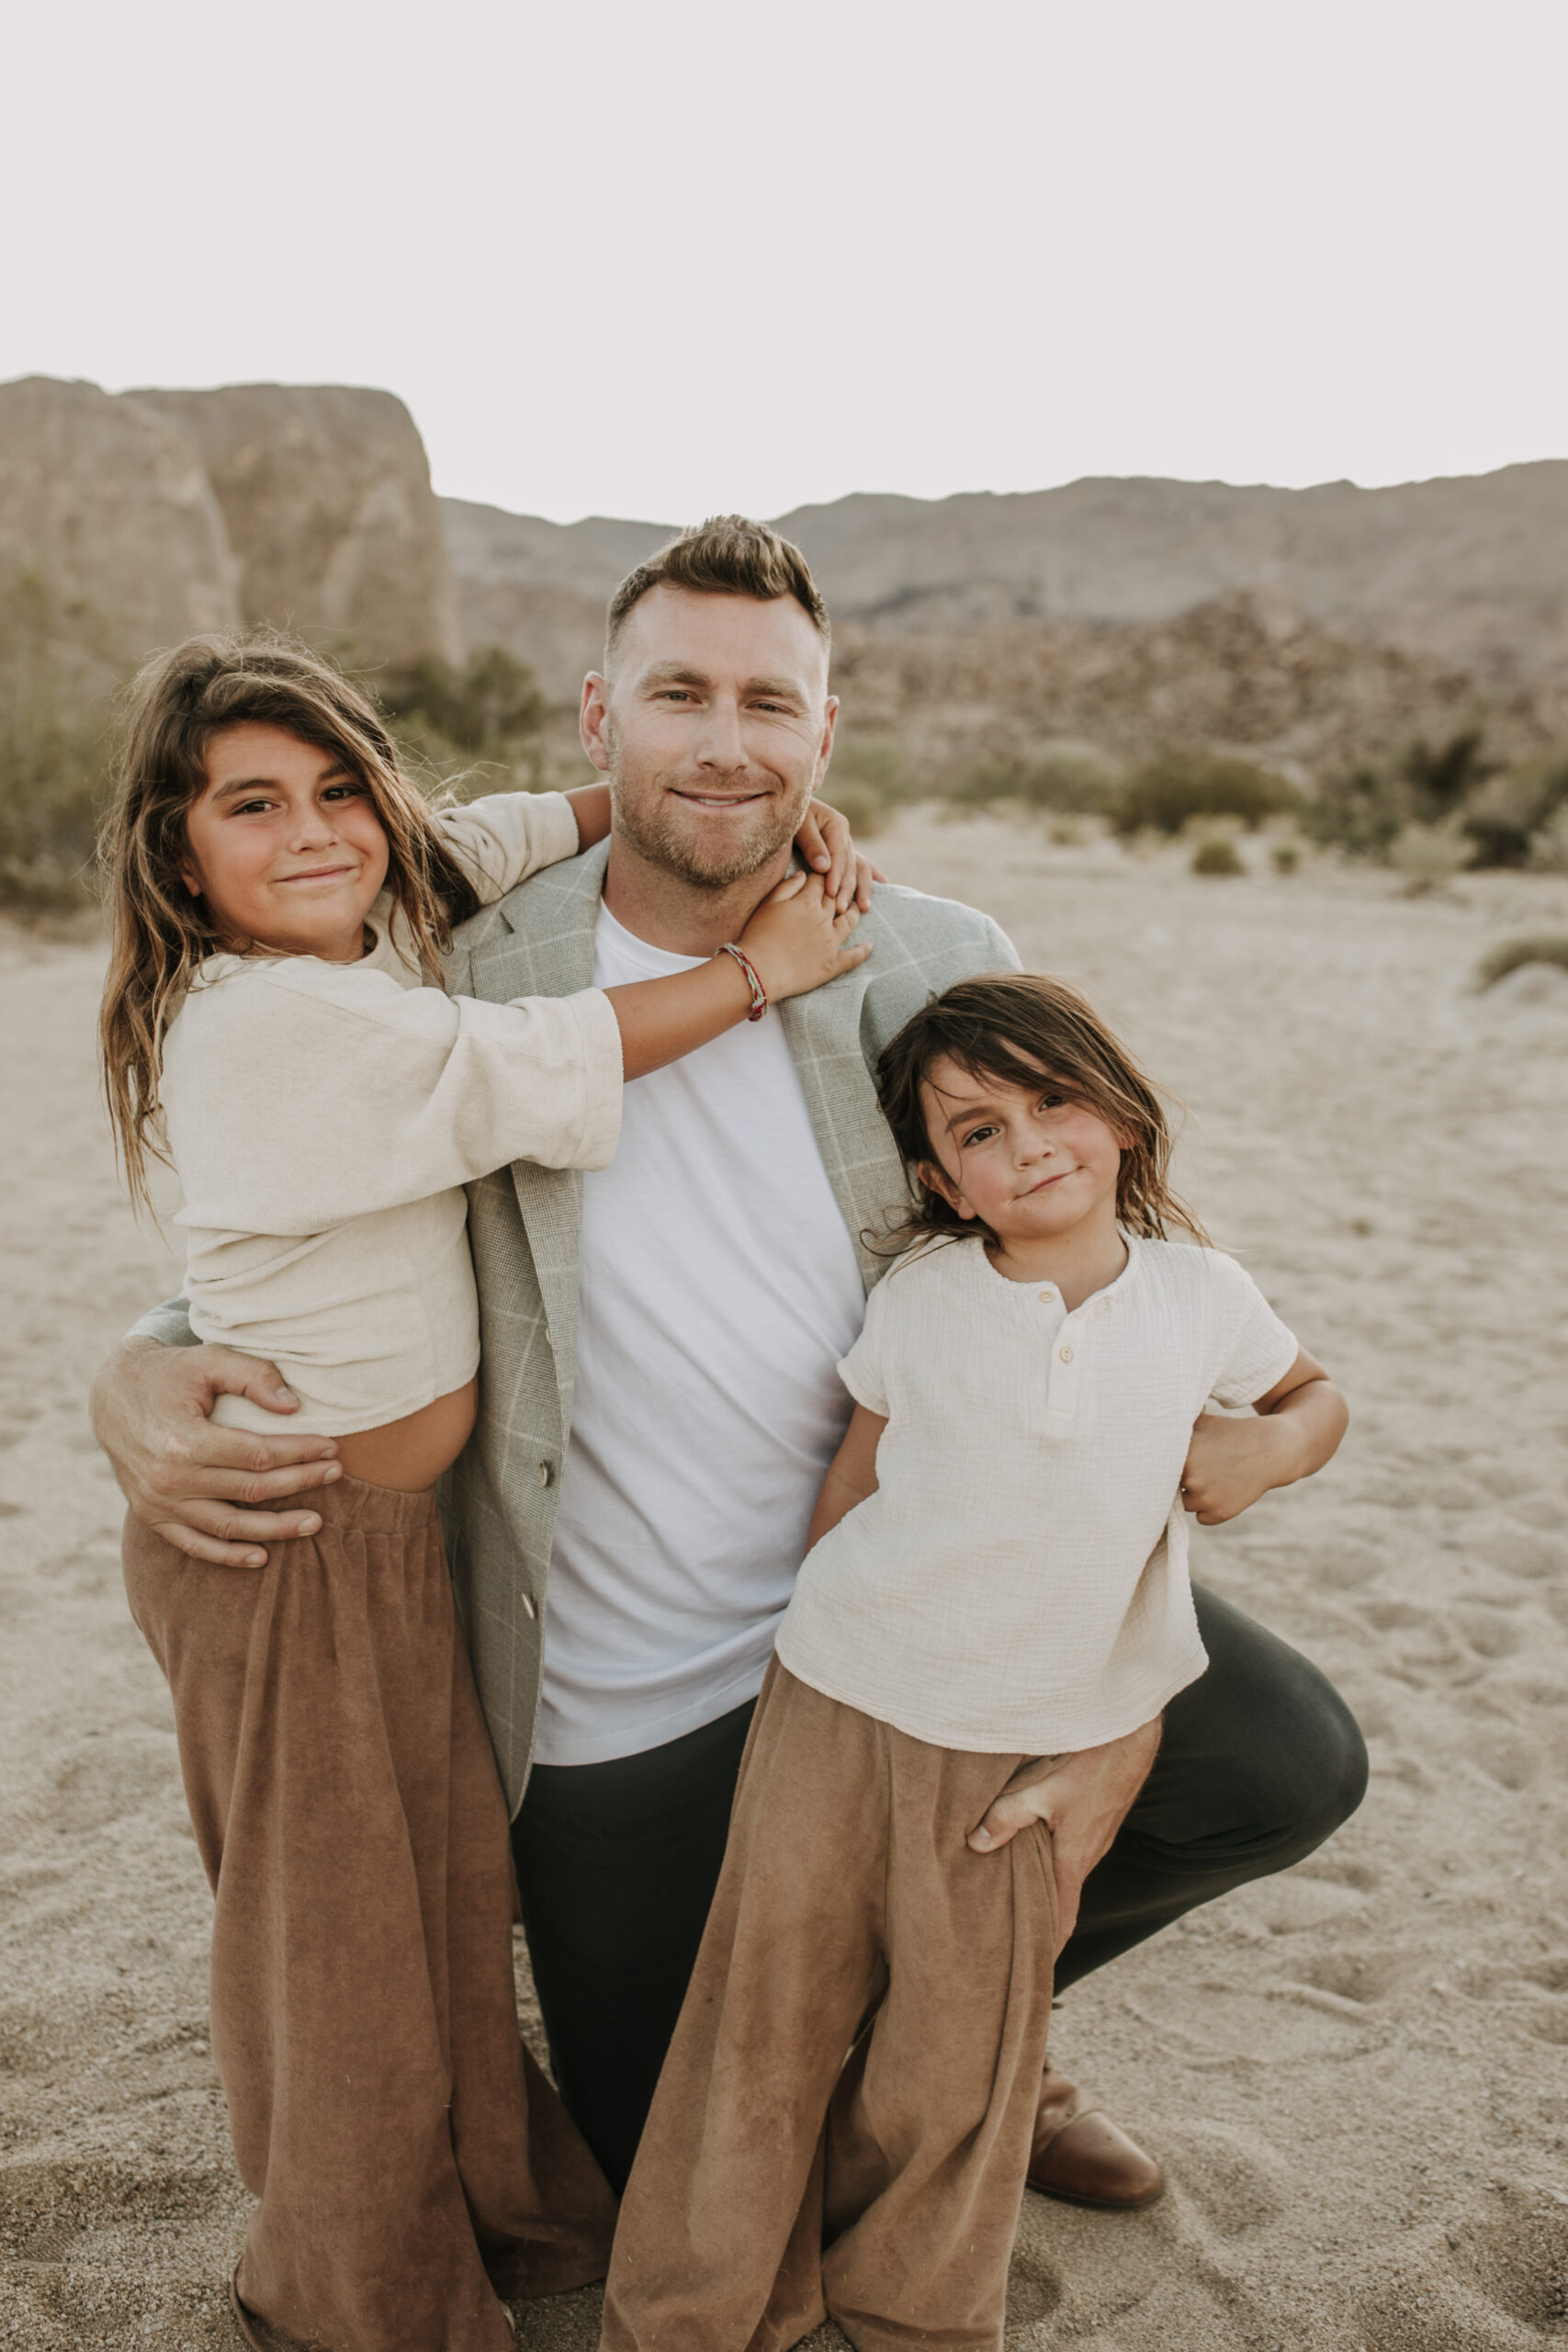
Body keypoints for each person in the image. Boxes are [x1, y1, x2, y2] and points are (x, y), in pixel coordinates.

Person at [92, 517, 1369, 2221]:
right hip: (622, 1691)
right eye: (680, 694)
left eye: (770, 703)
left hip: (920, 1596)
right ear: (597, 716)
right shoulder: (453, 961)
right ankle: (890, 2047)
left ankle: (976, 2028)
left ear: (822, 737)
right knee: (659, 2170)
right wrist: (139, 1364)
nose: (723, 740)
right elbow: (301, 1215)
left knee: (1287, 1763)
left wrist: (1124, 1681)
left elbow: (1091, 1302)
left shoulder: (927, 953)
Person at [96, 631, 870, 2352]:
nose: (314, 834)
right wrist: (767, 968)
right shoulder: (268, 1021)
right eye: (251, 806)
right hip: (284, 1547)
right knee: (337, 1942)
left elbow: (490, 836)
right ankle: (347, 2293)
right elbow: (538, 1067)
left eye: (338, 793)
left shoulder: (372, 922)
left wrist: (638, 792)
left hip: (389, 1546)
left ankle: (486, 2202)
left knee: (435, 1903)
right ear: (179, 851)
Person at [601, 972, 1349, 2351]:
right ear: (947, 1185)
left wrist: (1274, 1445)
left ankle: (914, 2317)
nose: (1029, 1145)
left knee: (962, 2054)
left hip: (1025, 1738)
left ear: (1119, 1111)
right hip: (840, 1696)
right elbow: (856, 1476)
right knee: (764, 2016)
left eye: (1052, 1100)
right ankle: (698, 2311)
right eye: (979, 1133)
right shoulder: (929, 1298)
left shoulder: (1204, 1295)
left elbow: (1314, 1394)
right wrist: (793, 1650)